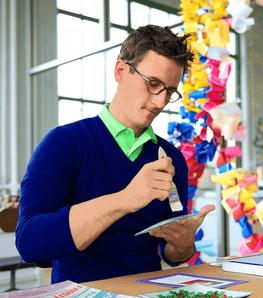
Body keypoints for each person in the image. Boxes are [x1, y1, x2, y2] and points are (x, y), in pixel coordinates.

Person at [16, 25, 215, 284]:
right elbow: (29, 243)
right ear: (120, 71)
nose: (160, 102)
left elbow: (174, 254)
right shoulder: (63, 144)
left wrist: (184, 243)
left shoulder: (171, 158)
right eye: (153, 84)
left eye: (170, 91)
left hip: (148, 291)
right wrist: (125, 199)